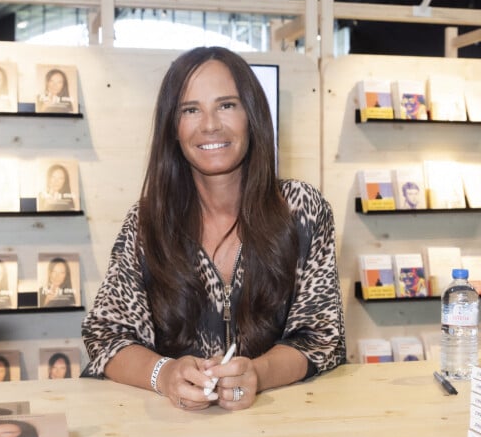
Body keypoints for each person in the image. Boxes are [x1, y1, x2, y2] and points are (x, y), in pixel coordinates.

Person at [82, 46, 346, 412]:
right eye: (190, 110)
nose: (210, 125)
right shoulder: (147, 222)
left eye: (227, 105)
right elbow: (106, 335)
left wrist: (258, 374)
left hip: (279, 431)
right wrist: (165, 373)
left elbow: (321, 338)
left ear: (252, 115)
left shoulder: (301, 209)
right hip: (169, 434)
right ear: (172, 128)